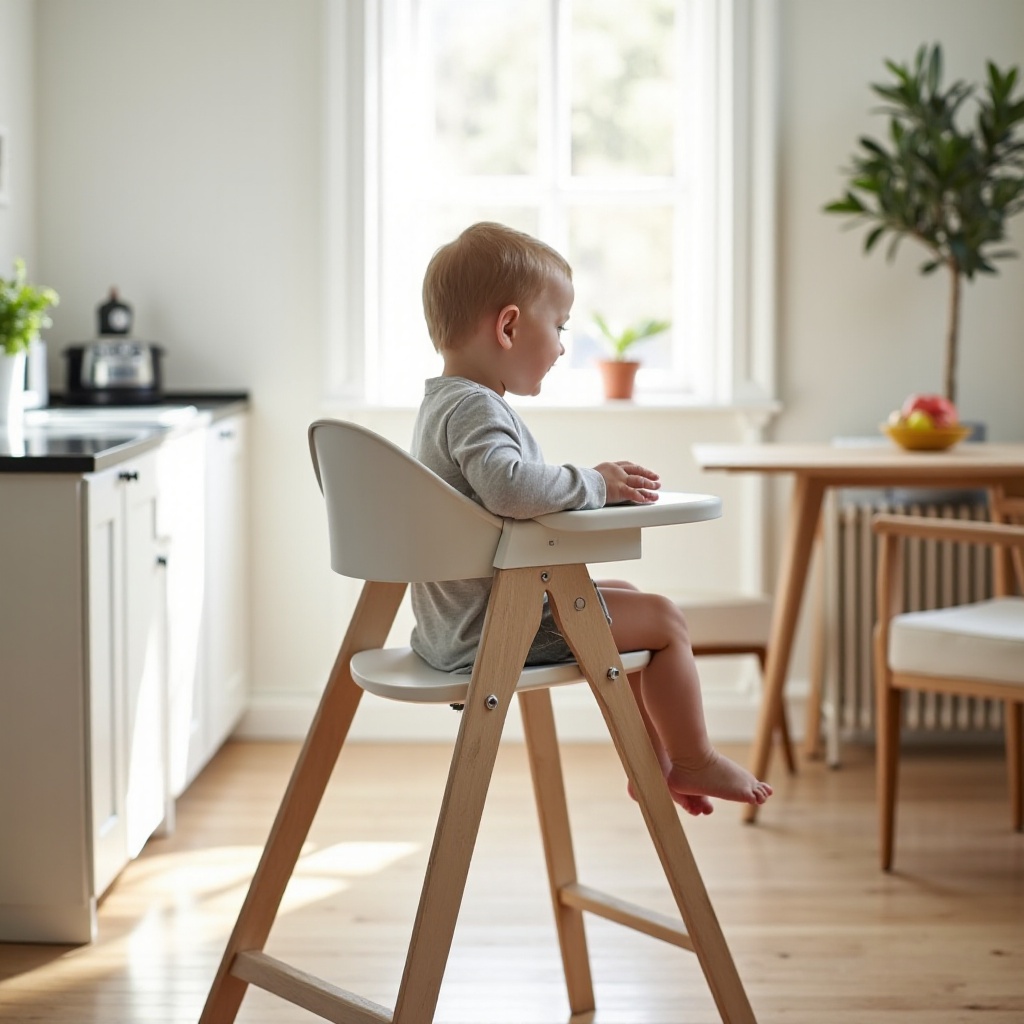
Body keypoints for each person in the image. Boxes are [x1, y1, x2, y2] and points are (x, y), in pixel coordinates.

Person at [410, 221, 772, 814]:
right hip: (492, 632)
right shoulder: (475, 407)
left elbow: (502, 492)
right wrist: (596, 484)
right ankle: (694, 757)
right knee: (664, 619)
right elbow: (509, 487)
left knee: (625, 595)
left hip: (459, 625)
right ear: (507, 327)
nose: (559, 346)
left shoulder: (442, 403)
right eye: (558, 327)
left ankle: (648, 761)